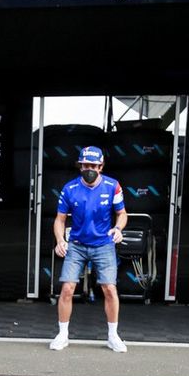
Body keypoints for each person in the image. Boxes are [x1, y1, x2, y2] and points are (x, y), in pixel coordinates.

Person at [49, 145, 128, 352]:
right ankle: (62, 334)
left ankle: (113, 336)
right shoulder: (70, 188)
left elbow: (122, 213)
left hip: (103, 244)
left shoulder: (113, 186)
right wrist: (59, 240)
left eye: (93, 165)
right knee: (67, 288)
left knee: (109, 289)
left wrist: (118, 228)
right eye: (85, 165)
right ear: (80, 165)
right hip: (76, 245)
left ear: (101, 166)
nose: (89, 169)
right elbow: (59, 219)